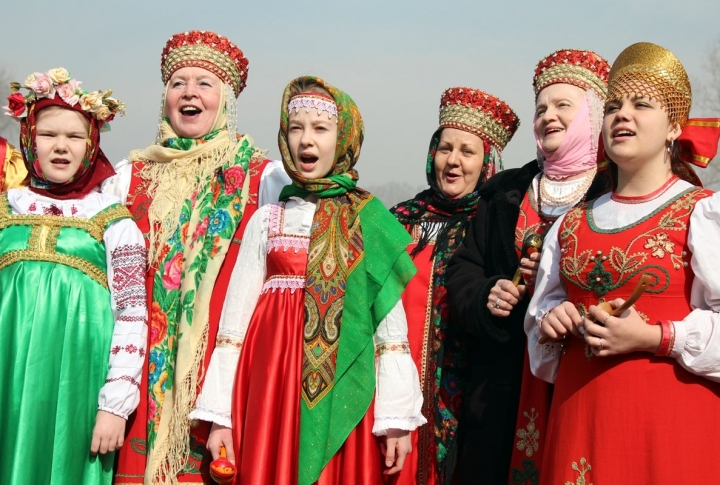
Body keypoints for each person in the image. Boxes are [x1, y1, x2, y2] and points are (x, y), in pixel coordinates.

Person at [189, 76, 425, 485]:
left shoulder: (369, 221)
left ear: (344, 137)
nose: (305, 140)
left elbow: (391, 332)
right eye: (295, 128)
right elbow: (233, 328)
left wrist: (396, 419)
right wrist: (220, 416)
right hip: (270, 386)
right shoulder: (268, 221)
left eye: (320, 129)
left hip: (342, 388)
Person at [527, 42, 720, 484]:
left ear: (674, 126)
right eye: (612, 105)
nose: (622, 115)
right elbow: (541, 334)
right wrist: (551, 321)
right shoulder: (570, 223)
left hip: (672, 427)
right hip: (581, 420)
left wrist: (655, 336)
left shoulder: (704, 213)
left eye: (641, 104)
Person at [110, 31, 289, 484]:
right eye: (178, 83)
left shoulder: (263, 178)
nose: (190, 92)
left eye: (205, 83)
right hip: (138, 371)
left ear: (226, 101)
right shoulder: (129, 176)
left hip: (220, 374)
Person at [445, 49, 611, 484]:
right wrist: (486, 295)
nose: (548, 116)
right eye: (541, 108)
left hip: (580, 378)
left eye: (562, 106)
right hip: (501, 384)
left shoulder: (616, 190)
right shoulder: (506, 191)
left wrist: (560, 280)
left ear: (592, 115)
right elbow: (463, 270)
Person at [0, 68, 146, 484]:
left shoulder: (114, 222)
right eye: (48, 135)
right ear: (28, 140)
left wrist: (115, 405)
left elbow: (133, 315)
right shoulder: (4, 208)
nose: (61, 147)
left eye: (74, 137)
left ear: (92, 145)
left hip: (76, 388)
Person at [390, 87, 520, 485]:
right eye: (445, 148)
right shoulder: (399, 219)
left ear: (488, 164)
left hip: (465, 390)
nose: (453, 161)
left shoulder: (494, 229)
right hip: (395, 381)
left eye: (467, 151)